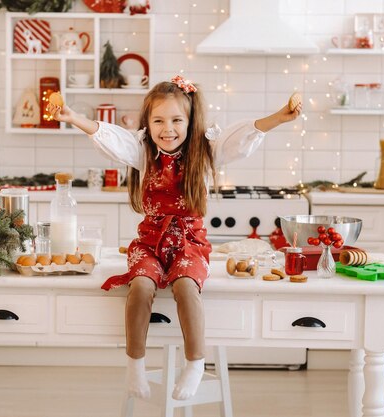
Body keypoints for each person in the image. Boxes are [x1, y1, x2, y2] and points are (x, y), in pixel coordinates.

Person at [48, 75, 301, 401]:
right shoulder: (142, 152)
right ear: (148, 123)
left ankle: (195, 363)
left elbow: (242, 136)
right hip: (150, 240)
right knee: (139, 286)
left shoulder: (206, 152)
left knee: (185, 286)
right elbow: (110, 138)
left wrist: (279, 116)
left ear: (190, 121)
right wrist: (74, 119)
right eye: (158, 120)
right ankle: (134, 366)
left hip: (188, 242)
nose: (167, 128)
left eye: (176, 120)